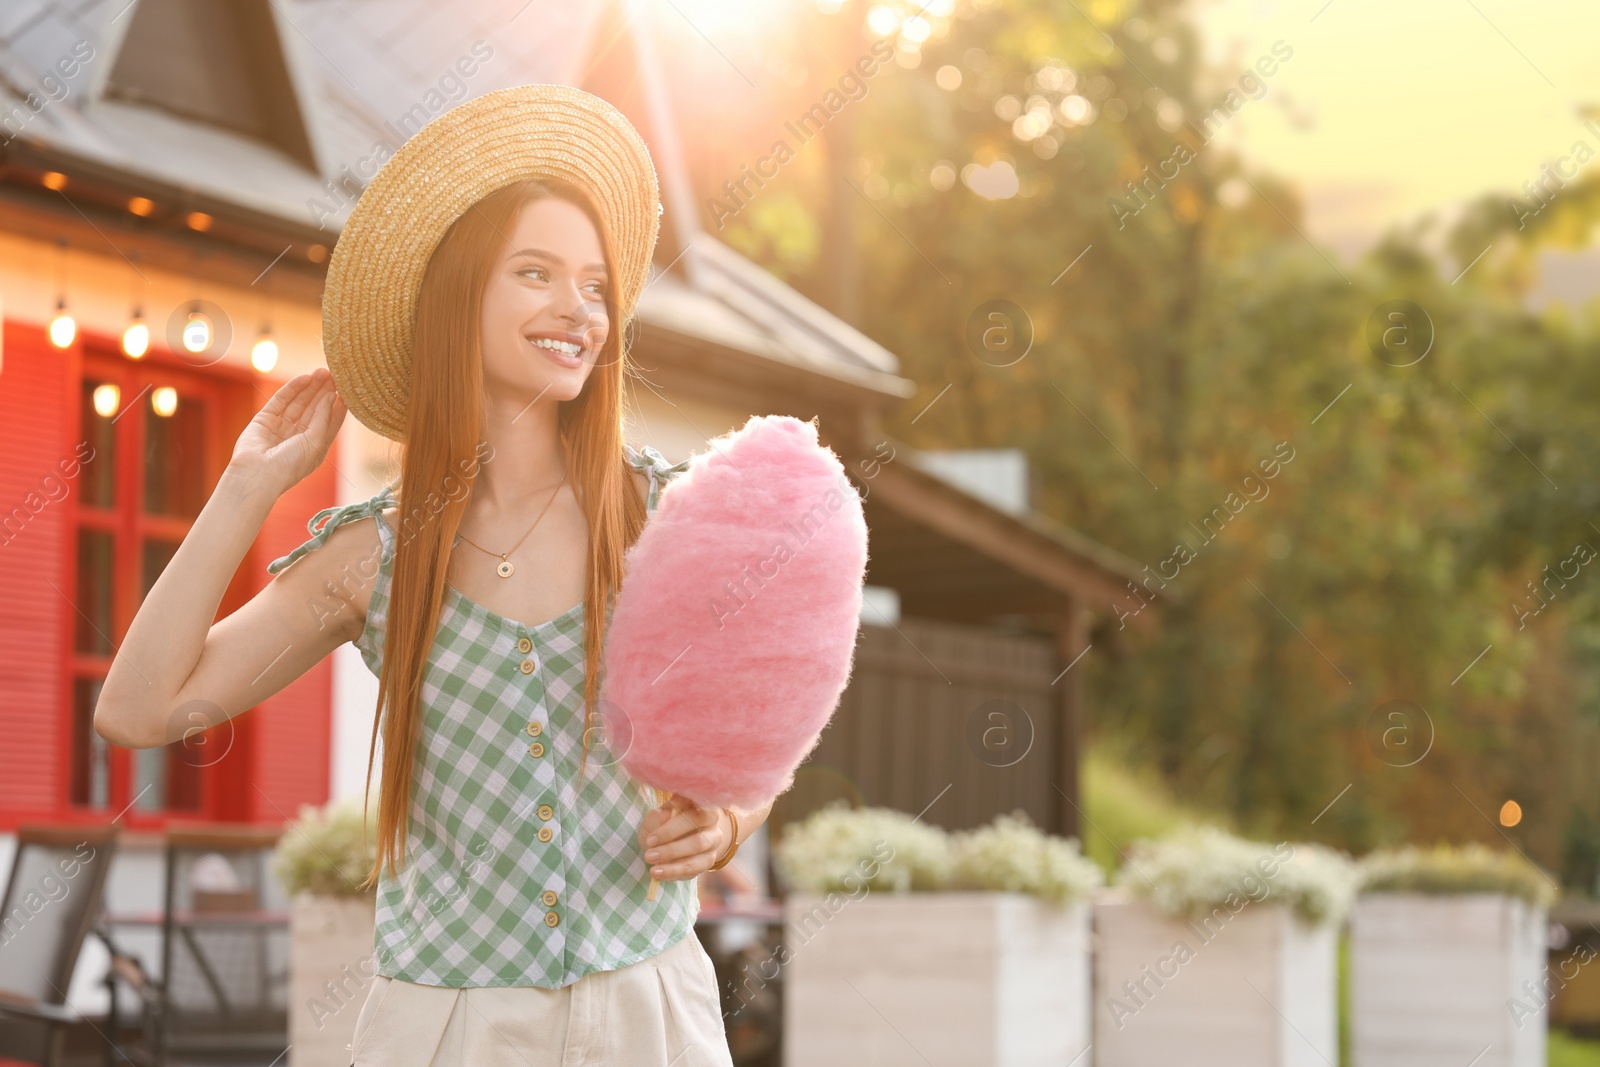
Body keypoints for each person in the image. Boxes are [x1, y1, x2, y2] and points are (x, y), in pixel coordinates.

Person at [95, 83, 770, 1065]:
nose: (575, 309)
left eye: (593, 284)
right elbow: (138, 710)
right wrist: (243, 488)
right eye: (534, 273)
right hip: (450, 1024)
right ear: (457, 297)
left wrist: (727, 821)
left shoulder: (665, 519)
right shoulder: (374, 554)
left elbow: (757, 739)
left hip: (648, 1007)